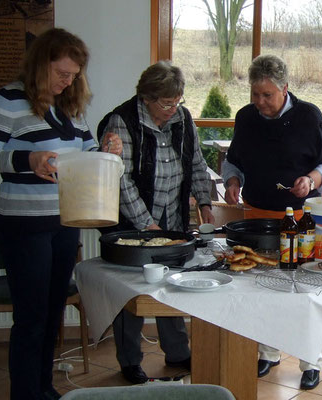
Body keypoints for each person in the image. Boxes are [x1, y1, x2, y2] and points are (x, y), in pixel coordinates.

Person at [0, 28, 122, 400]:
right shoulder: (8, 100)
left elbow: (87, 153)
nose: (67, 81)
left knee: (52, 315)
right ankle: (25, 394)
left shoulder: (70, 106)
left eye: (73, 75)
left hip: (64, 222)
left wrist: (106, 148)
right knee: (31, 318)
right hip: (23, 225)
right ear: (41, 65)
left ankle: (44, 389)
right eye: (61, 74)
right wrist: (28, 159)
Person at [222, 54, 322, 390]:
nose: (260, 102)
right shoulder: (246, 118)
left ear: (285, 89)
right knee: (262, 290)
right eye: (255, 95)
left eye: (267, 95)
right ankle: (268, 352)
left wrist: (312, 179)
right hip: (256, 218)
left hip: (299, 221)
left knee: (303, 293)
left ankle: (310, 361)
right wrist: (232, 181)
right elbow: (234, 162)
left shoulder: (308, 117)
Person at [97, 60, 215, 384]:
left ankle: (177, 351)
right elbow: (120, 181)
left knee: (173, 283)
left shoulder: (182, 118)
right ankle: (130, 360)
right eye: (166, 103)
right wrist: (145, 226)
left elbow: (196, 161)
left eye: (177, 101)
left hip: (172, 218)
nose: (172, 108)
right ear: (146, 97)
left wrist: (204, 200)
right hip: (132, 223)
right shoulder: (122, 121)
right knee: (131, 292)